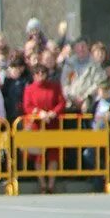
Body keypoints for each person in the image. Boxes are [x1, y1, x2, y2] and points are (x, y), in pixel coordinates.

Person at [22, 63, 66, 194]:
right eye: (37, 73)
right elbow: (27, 106)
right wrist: (39, 113)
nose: (40, 76)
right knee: (38, 156)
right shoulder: (29, 89)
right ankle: (42, 183)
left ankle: (51, 184)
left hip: (52, 124)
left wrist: (53, 113)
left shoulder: (54, 87)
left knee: (53, 155)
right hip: (37, 125)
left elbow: (61, 102)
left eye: (43, 73)